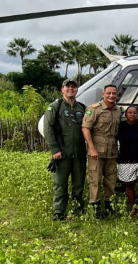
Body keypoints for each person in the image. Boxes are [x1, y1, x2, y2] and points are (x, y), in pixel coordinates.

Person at [44, 79, 87, 221]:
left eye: (73, 87)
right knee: (60, 184)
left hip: (80, 152)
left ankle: (77, 209)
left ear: (77, 90)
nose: (71, 89)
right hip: (62, 153)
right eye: (67, 87)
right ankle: (59, 212)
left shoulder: (82, 107)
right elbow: (48, 129)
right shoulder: (55, 106)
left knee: (79, 183)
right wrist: (55, 149)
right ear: (62, 89)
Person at [81, 84, 121, 219]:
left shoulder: (117, 110)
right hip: (96, 150)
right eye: (108, 93)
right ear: (103, 94)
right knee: (95, 179)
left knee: (111, 179)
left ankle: (109, 205)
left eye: (114, 93)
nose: (111, 96)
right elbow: (85, 128)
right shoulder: (94, 109)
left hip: (112, 150)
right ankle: (95, 206)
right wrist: (91, 148)